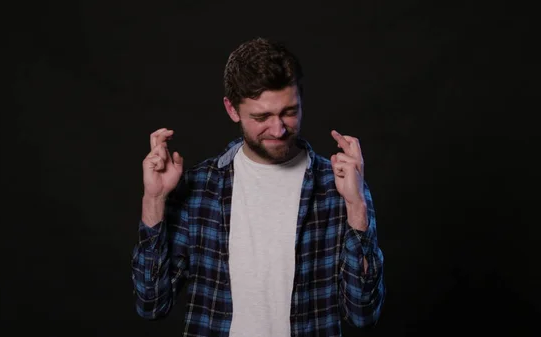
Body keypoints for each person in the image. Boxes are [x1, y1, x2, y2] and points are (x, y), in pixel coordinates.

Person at [131, 37, 385, 337]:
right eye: (262, 117)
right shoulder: (200, 189)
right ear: (232, 109)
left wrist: (357, 207)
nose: (278, 129)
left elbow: (363, 313)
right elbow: (152, 304)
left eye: (289, 112)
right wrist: (155, 200)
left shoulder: (339, 187)